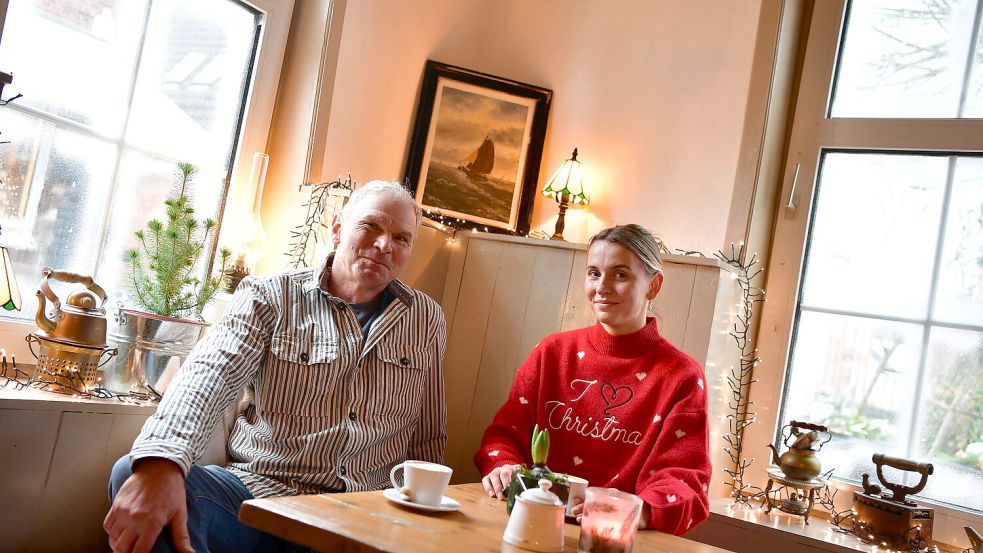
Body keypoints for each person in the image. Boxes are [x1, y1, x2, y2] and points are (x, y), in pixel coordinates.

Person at [105, 180, 447, 553]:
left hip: (361, 516)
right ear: (337, 227)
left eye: (401, 238)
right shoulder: (269, 297)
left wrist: (421, 522)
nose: (384, 246)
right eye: (371, 227)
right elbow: (208, 376)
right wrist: (162, 460)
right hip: (259, 498)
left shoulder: (426, 318)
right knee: (134, 473)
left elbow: (427, 433)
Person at [474, 224, 710, 535]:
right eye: (594, 273)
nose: (602, 287)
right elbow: (505, 435)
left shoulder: (682, 376)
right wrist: (504, 465)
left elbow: (684, 479)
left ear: (653, 286)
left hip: (612, 539)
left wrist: (640, 511)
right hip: (530, 526)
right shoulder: (552, 352)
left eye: (621, 275)